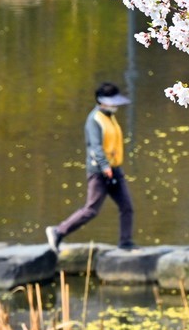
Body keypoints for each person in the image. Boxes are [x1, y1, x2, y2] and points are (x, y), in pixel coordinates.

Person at [46, 82, 135, 251]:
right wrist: (104, 167)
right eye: (112, 101)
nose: (115, 105)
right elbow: (95, 147)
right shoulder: (94, 120)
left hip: (115, 170)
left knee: (127, 207)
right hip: (100, 172)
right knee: (91, 209)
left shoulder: (110, 116)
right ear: (101, 101)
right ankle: (58, 231)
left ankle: (126, 242)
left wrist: (112, 168)